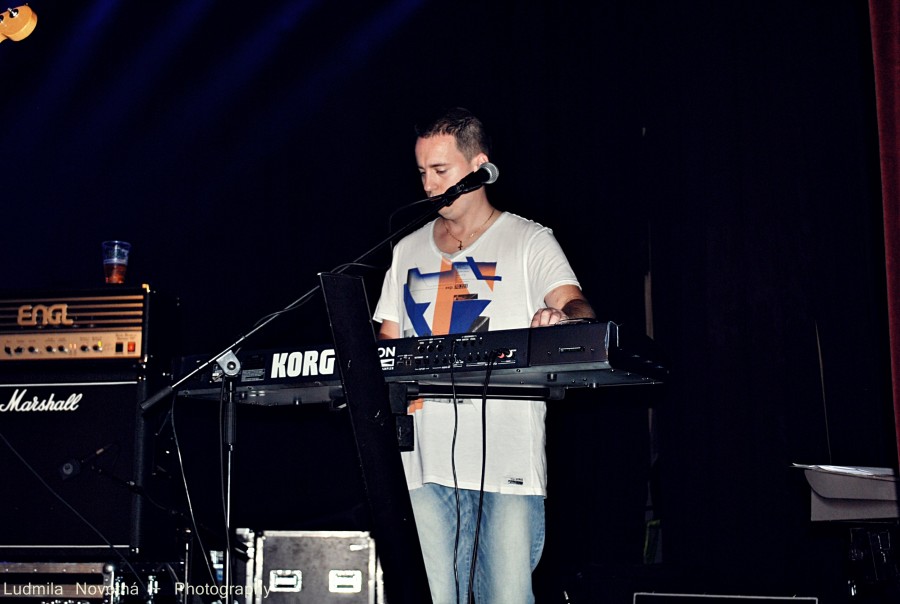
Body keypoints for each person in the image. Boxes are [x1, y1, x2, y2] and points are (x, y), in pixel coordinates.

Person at [373, 107, 595, 603]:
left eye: (440, 170)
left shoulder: (528, 240)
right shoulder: (406, 250)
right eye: (422, 172)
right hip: (421, 462)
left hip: (505, 460)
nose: (429, 185)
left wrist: (563, 319)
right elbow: (386, 349)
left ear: (480, 167)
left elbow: (577, 307)